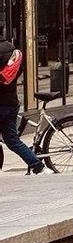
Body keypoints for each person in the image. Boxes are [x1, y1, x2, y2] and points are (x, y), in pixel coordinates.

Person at [0, 41, 43, 174]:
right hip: (12, 102)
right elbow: (18, 72)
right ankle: (37, 165)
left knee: (12, 140)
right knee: (13, 141)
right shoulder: (12, 50)